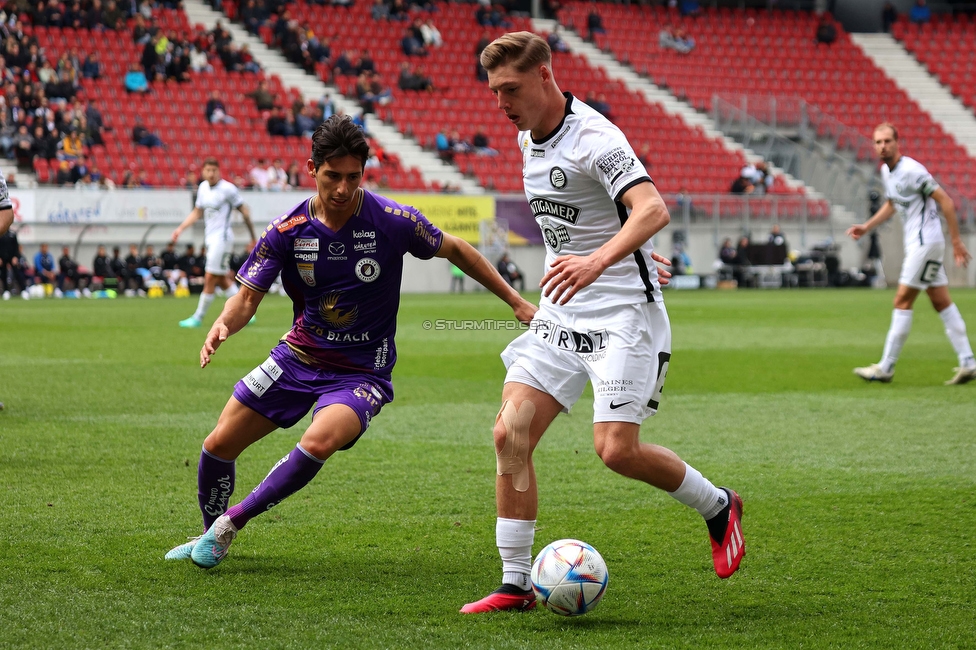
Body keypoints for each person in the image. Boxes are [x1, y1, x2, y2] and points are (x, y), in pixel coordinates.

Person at [163, 115, 536, 568]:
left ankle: (229, 525)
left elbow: (456, 249)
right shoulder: (287, 230)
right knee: (217, 444)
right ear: (311, 168)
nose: (342, 188)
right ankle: (209, 533)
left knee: (319, 441)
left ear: (364, 172)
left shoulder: (393, 220)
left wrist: (516, 302)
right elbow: (245, 299)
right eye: (332, 176)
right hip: (296, 358)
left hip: (362, 372)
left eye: (353, 177)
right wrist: (223, 324)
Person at [461, 32, 744, 614]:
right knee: (508, 433)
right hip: (562, 312)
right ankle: (516, 583)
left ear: (545, 76)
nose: (501, 103)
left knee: (616, 451)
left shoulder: (597, 137)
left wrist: (604, 260)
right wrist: (624, 249)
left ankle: (717, 504)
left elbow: (652, 208)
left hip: (622, 316)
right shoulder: (526, 140)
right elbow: (587, 222)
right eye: (494, 92)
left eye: (510, 89)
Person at [847, 123, 975, 385]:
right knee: (940, 301)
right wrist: (867, 226)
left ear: (897, 143)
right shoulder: (886, 171)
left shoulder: (913, 171)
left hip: (924, 243)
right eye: (878, 142)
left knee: (902, 300)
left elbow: (947, 202)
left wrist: (957, 241)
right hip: (922, 244)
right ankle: (968, 361)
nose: (882, 146)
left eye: (887, 141)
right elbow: (893, 203)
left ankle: (886, 367)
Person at [172, 157, 257, 328]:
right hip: (210, 238)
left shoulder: (228, 189)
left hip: (223, 238)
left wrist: (253, 237)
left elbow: (244, 212)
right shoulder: (203, 188)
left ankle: (198, 317)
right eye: (208, 170)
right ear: (203, 172)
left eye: (214, 170)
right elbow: (197, 212)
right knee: (221, 278)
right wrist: (180, 228)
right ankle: (246, 312)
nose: (211, 174)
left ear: (219, 171)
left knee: (210, 276)